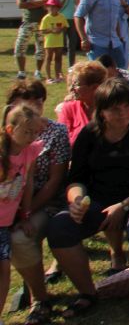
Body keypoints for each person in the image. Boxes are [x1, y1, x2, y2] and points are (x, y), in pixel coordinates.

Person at [48, 79, 129, 317]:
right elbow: (76, 179)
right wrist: (76, 200)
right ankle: (87, 292)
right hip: (100, 199)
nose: (123, 113)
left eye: (128, 106)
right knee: (59, 228)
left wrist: (124, 205)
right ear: (102, 112)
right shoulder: (89, 134)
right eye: (115, 109)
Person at [6, 80, 71, 325]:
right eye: (29, 101)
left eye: (39, 100)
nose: (36, 105)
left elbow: (54, 182)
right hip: (10, 206)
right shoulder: (7, 135)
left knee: (20, 238)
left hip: (47, 203)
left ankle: (39, 299)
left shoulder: (56, 132)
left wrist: (25, 212)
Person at [0, 105, 45, 317]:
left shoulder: (31, 151)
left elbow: (28, 185)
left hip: (4, 224)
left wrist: (25, 215)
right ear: (10, 130)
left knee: (4, 271)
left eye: (35, 132)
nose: (32, 136)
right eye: (27, 132)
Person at [73, 0, 129, 69]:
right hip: (97, 43)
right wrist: (84, 39)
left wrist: (120, 37)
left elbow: (115, 19)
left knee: (120, 71)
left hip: (115, 43)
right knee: (99, 73)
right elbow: (78, 16)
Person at [57, 62, 106, 144]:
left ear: (95, 87)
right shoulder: (69, 108)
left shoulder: (110, 109)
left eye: (76, 84)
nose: (71, 89)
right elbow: (61, 141)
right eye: (72, 84)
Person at [52, 0, 80, 67]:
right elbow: (58, 7)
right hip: (61, 20)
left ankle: (71, 66)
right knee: (60, 45)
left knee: (72, 44)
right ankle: (58, 67)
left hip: (72, 19)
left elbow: (77, 2)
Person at [38, 0, 68, 84]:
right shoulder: (46, 18)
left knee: (58, 58)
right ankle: (48, 77)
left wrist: (61, 30)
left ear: (58, 8)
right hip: (49, 42)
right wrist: (52, 30)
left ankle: (58, 76)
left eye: (54, 7)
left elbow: (65, 26)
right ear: (47, 7)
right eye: (50, 6)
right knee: (48, 58)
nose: (51, 8)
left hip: (59, 41)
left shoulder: (61, 17)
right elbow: (42, 30)